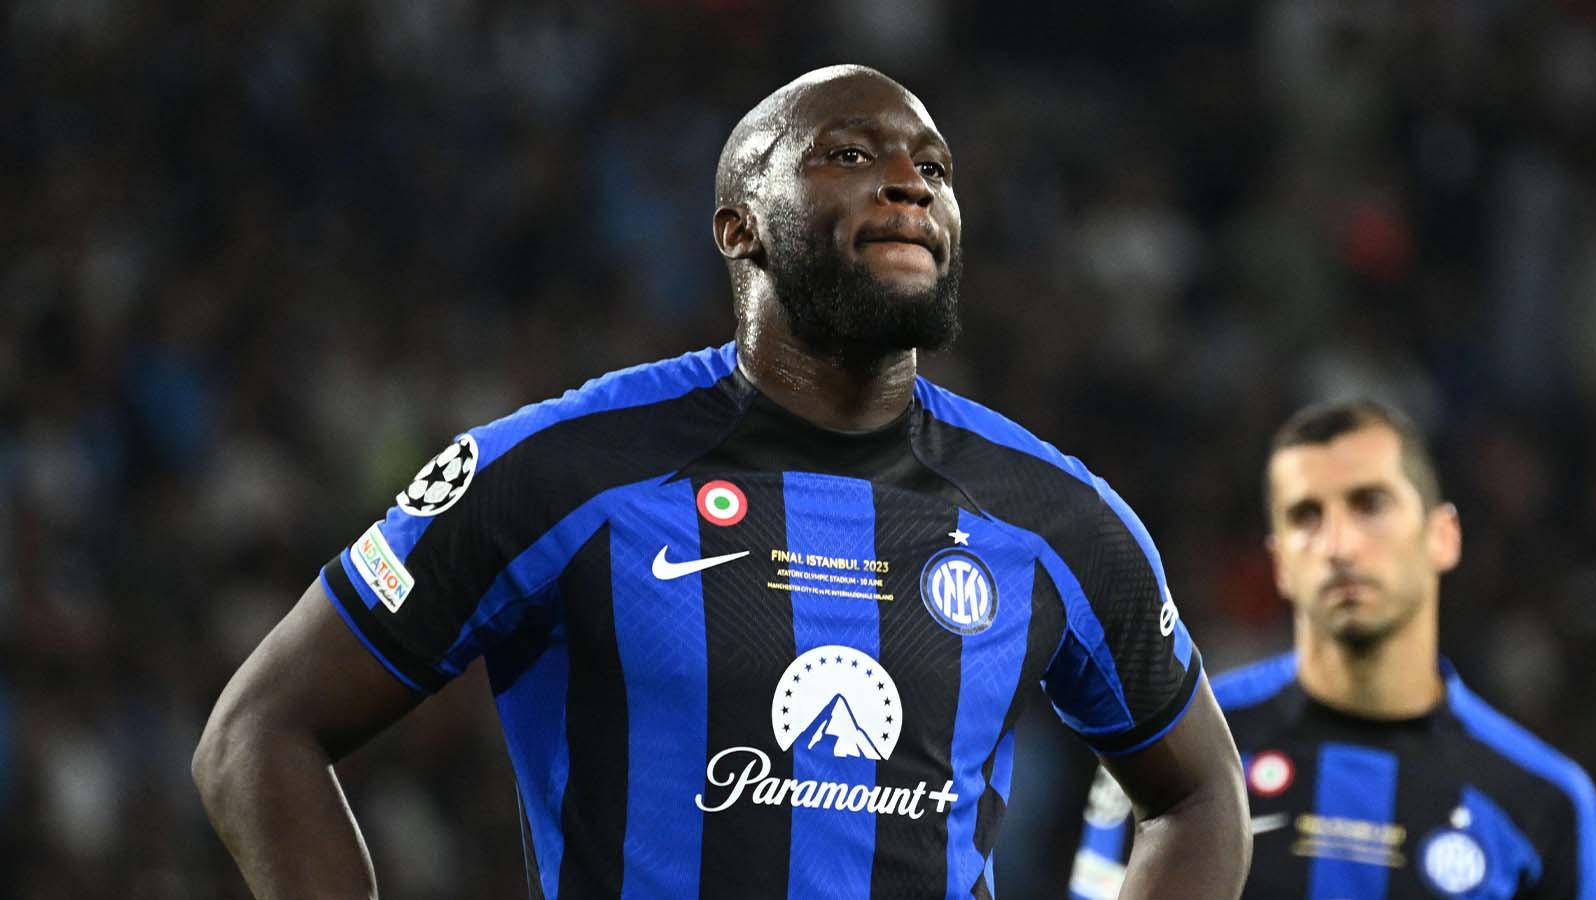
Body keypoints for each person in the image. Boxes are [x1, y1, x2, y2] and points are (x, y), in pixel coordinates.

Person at [193, 64, 1249, 899]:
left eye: (933, 166)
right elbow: (258, 733)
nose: (909, 182)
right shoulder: (560, 471)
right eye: (847, 153)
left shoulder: (1055, 516)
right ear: (737, 225)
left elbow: (1201, 796)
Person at [1067, 399, 1596, 899]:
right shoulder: (1173, 746)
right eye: (1305, 516)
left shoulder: (1545, 801)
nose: (1339, 545)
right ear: (1279, 563)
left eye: (1370, 504)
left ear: (1443, 535)